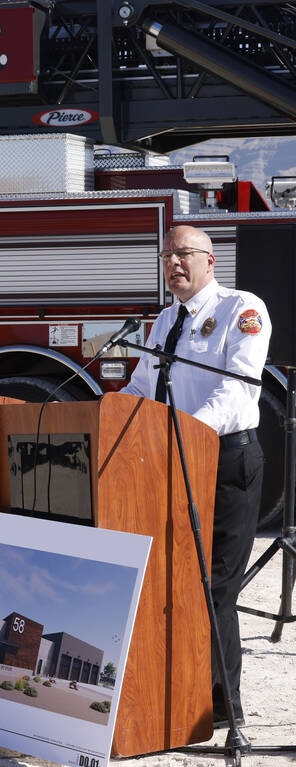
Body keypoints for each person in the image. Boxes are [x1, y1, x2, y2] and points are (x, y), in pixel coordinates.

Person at [121, 225, 270, 729]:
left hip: (227, 461)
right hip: (176, 459)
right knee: (179, 581)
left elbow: (237, 392)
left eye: (183, 254)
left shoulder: (241, 309)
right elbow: (142, 386)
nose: (173, 264)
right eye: (167, 255)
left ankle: (224, 704)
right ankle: (181, 690)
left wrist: (183, 430)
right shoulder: (165, 320)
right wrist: (106, 415)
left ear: (210, 261)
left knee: (216, 588)